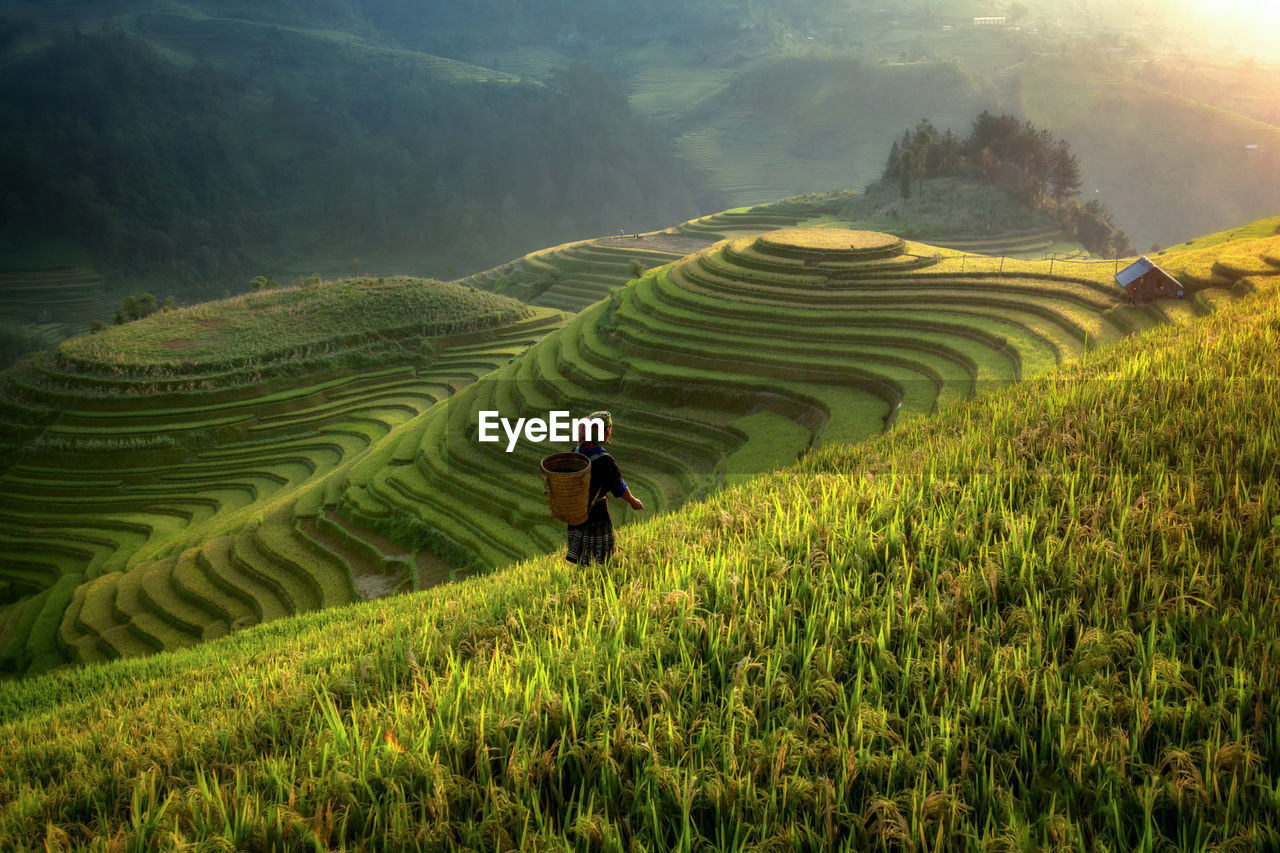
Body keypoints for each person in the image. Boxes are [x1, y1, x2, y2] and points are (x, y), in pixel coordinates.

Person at [566, 410, 643, 564]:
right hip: (597, 513)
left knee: (583, 558)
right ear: (604, 431)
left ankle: (585, 582)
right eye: (609, 429)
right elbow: (618, 487)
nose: (610, 432)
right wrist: (633, 501)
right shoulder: (604, 460)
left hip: (578, 512)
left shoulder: (576, 452)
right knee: (604, 557)